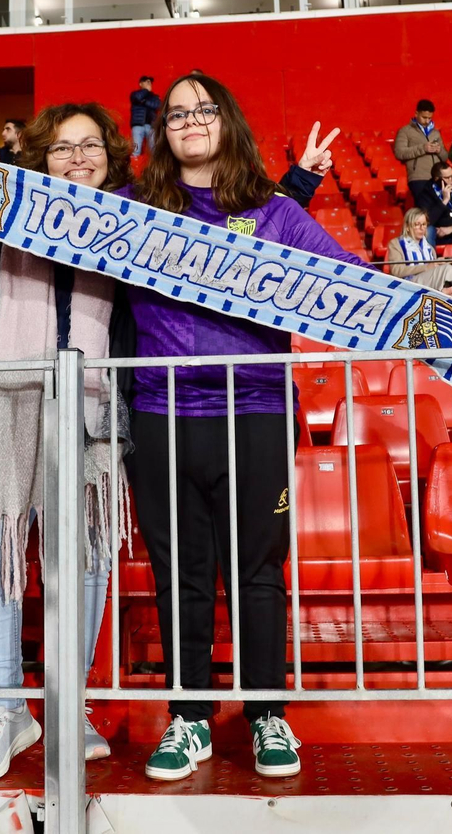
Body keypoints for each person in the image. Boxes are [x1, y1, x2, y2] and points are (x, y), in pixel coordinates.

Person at [120, 74, 350, 783]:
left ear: (228, 122)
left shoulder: (275, 213)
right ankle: (189, 718)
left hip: (252, 411)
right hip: (161, 415)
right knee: (179, 575)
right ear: (163, 131)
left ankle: (266, 714)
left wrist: (431, 306)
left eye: (204, 109)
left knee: (257, 571)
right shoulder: (131, 210)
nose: (190, 120)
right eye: (178, 112)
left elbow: (351, 277)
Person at [0, 103, 134, 782]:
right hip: (7, 388)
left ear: (111, 155)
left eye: (90, 145)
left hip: (95, 396)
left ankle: (67, 703)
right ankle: (5, 707)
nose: (76, 157)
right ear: (39, 157)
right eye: (60, 147)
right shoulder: (6, 208)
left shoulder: (133, 222)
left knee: (83, 554)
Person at [385, 207, 452, 292]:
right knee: (446, 270)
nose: (422, 228)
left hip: (430, 282)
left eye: (424, 224)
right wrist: (426, 267)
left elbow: (432, 268)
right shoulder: (396, 244)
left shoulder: (429, 248)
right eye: (417, 224)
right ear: (408, 227)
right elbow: (397, 270)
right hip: (409, 284)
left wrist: (439, 262)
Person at [394, 99, 447, 211]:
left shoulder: (435, 133)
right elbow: (399, 153)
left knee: (440, 209)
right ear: (416, 113)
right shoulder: (405, 131)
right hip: (418, 177)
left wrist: (439, 150)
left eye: (430, 118)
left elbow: (445, 157)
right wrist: (423, 148)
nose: (427, 121)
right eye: (424, 117)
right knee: (425, 210)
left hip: (438, 177)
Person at [129, 75, 162, 156]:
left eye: (150, 82)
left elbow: (157, 105)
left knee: (154, 151)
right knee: (135, 151)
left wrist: (143, 102)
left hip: (150, 126)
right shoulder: (135, 94)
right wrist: (145, 90)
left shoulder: (154, 96)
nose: (149, 83)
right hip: (138, 125)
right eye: (147, 82)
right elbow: (137, 98)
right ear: (141, 84)